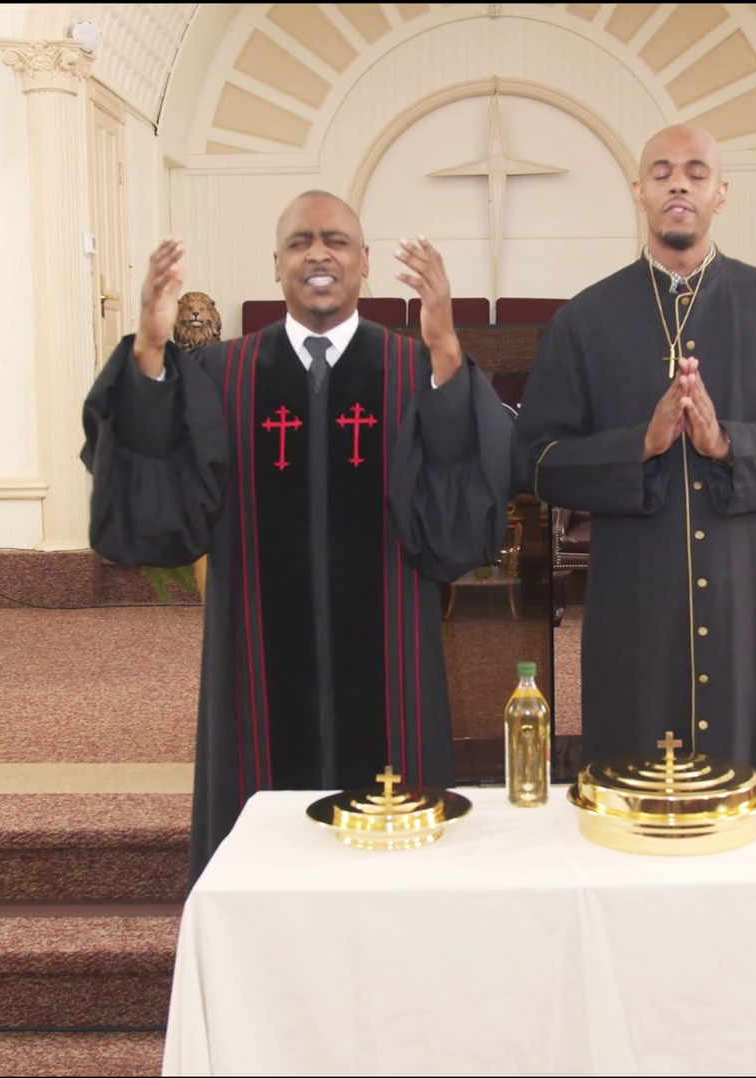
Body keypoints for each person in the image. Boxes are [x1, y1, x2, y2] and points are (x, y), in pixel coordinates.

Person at [82, 192, 512, 879]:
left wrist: (446, 353)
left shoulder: (415, 370)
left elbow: (462, 511)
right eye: (299, 242)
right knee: (261, 846)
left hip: (389, 653)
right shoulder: (221, 374)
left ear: (364, 261)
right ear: (276, 264)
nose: (318, 254)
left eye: (336, 241)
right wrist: (150, 349)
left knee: (393, 842)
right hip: (256, 654)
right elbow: (156, 486)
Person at [512, 125, 756, 782]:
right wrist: (638, 446)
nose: (679, 184)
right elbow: (537, 460)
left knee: (747, 783)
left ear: (720, 194)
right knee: (632, 782)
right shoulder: (583, 321)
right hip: (633, 594)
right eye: (663, 172)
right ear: (639, 191)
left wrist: (728, 444)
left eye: (697, 173)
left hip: (743, 592)